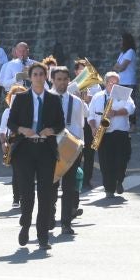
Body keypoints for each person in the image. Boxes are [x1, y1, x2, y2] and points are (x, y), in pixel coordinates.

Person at [6, 61, 64, 249]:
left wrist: (51, 130)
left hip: (46, 149)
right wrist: (22, 129)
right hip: (25, 150)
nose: (39, 77)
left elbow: (61, 124)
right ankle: (25, 226)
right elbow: (11, 123)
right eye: (35, 74)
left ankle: (42, 236)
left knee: (46, 194)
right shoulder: (21, 98)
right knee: (27, 193)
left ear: (46, 76)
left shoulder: (54, 99)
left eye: (42, 74)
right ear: (30, 78)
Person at [51, 64, 86, 235]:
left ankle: (66, 223)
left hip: (70, 148)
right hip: (50, 148)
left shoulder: (76, 101)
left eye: (65, 79)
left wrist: (80, 147)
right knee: (50, 186)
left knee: (69, 187)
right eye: (58, 79)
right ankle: (49, 217)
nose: (62, 83)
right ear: (52, 80)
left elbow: (80, 126)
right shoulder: (46, 99)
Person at [90, 70, 136, 198]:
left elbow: (131, 108)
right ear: (105, 83)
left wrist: (115, 113)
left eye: (116, 83)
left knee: (122, 160)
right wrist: (93, 127)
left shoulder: (123, 93)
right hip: (103, 133)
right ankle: (109, 189)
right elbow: (91, 115)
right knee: (105, 162)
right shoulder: (98, 96)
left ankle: (119, 180)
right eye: (110, 82)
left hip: (120, 132)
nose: (113, 85)